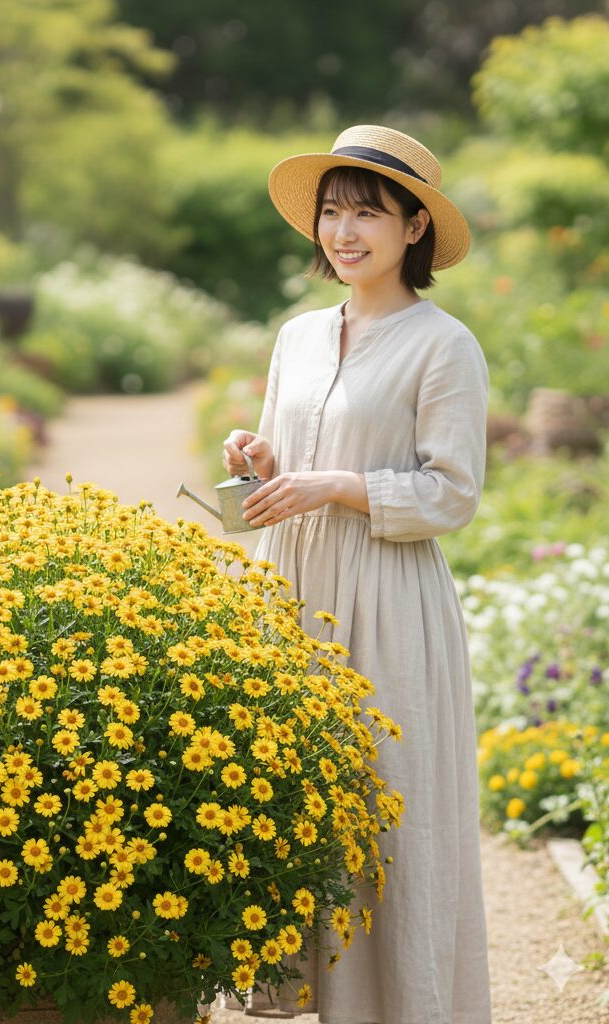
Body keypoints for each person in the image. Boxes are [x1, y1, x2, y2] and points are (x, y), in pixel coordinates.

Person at [220, 125, 493, 1023]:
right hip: (293, 591)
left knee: (389, 806)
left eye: (366, 214)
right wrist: (260, 460)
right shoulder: (299, 335)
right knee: (295, 804)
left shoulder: (444, 344)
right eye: (332, 212)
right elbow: (288, 458)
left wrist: (335, 485)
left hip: (386, 597)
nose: (344, 232)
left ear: (416, 227)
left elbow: (451, 493)